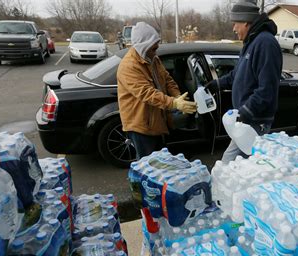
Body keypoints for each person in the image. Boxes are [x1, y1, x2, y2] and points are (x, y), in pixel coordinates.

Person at [207, 0, 282, 163]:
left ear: (246, 22)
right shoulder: (251, 42)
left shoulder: (265, 43)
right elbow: (237, 75)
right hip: (246, 120)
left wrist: (247, 111)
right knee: (242, 168)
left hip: (255, 121)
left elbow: (267, 88)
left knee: (228, 165)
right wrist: (217, 84)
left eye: (235, 24)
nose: (234, 29)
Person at [117, 22, 197, 160]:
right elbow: (147, 93)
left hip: (155, 120)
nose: (157, 48)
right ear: (143, 46)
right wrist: (174, 104)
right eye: (154, 46)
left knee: (159, 164)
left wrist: (178, 97)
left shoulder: (153, 58)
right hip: (141, 124)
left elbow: (167, 79)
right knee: (147, 166)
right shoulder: (129, 66)